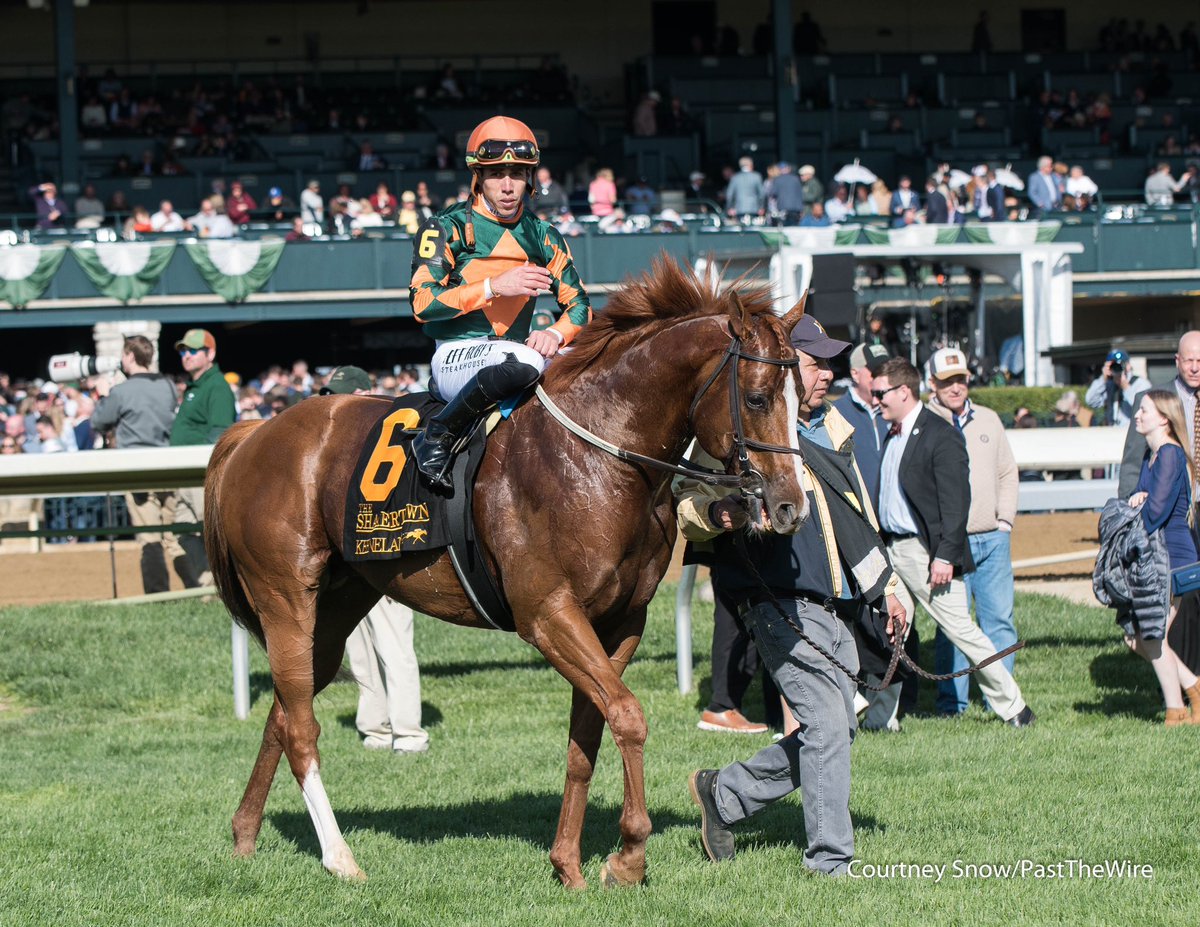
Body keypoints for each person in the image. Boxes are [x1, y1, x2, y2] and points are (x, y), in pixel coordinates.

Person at [678, 316, 906, 874]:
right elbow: (684, 504)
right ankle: (831, 861)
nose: (826, 373)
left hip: (830, 607)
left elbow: (858, 525)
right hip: (776, 603)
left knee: (839, 727)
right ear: (783, 369)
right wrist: (717, 512)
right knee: (828, 725)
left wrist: (889, 589)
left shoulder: (832, 430)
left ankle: (725, 795)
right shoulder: (739, 430)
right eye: (814, 362)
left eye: (829, 363)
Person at [408, 115, 593, 490]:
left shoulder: (545, 235)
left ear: (531, 178)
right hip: (457, 354)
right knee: (525, 361)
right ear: (478, 176)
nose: (508, 186)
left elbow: (581, 306)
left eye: (517, 173)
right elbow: (422, 302)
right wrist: (494, 286)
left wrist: (556, 335)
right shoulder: (445, 226)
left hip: (521, 353)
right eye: (496, 174)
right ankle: (437, 435)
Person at [873, 357, 1035, 727]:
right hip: (894, 550)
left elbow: (955, 502)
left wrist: (944, 555)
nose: (877, 399)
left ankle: (1015, 708)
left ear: (903, 391)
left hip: (925, 552)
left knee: (962, 629)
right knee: (894, 631)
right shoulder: (895, 430)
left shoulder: (940, 433)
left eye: (882, 393)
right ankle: (881, 717)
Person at [320, 365, 431, 753]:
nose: (332, 402)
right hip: (354, 556)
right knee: (361, 651)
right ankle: (375, 727)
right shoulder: (340, 439)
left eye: (339, 393)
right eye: (328, 395)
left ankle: (409, 733)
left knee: (393, 646)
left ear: (364, 395)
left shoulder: (395, 428)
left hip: (386, 549)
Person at [925, 348, 1021, 716]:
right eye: (947, 381)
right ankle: (953, 703)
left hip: (993, 537)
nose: (956, 387)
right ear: (932, 384)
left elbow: (1007, 472)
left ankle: (1004, 698)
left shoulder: (990, 420)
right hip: (951, 542)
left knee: (999, 620)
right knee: (953, 624)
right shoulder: (925, 422)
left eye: (960, 379)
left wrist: (1005, 521)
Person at [1125, 389, 1200, 725]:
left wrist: (1139, 503)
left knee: (1151, 636)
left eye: (1144, 410)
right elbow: (1143, 499)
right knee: (1139, 638)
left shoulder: (1169, 454)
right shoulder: (1151, 455)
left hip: (1173, 559)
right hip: (1155, 558)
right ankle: (1192, 691)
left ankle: (1177, 709)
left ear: (1164, 418)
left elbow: (1154, 513)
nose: (1137, 415)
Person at [90, 335, 180, 594]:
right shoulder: (168, 385)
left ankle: (158, 596)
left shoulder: (121, 392)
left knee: (150, 539)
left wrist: (105, 396)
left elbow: (99, 422)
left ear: (130, 356)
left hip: (139, 471)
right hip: (170, 468)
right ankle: (196, 589)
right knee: (175, 536)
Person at [169, 328, 236, 587]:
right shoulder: (195, 387)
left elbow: (220, 434)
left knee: (208, 534)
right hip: (184, 473)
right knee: (183, 531)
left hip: (202, 473)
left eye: (193, 350)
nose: (186, 355)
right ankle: (204, 589)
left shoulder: (217, 387)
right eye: (184, 350)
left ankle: (217, 591)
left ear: (211, 353)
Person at [1118, 331, 1200, 497]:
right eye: (1188, 361)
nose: (1194, 368)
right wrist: (1126, 504)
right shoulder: (1150, 400)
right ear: (1177, 361)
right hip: (1172, 505)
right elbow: (1133, 461)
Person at [1085, 348, 1148, 427]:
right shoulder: (1109, 385)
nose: (1117, 368)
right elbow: (1091, 400)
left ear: (1128, 365)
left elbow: (1144, 405)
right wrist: (1103, 379)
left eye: (1120, 364)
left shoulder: (1140, 384)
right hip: (1112, 433)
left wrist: (1125, 387)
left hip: (1132, 434)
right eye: (1113, 365)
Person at [724, 156, 765, 221]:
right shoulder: (757, 176)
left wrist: (730, 207)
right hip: (754, 208)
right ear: (751, 165)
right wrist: (761, 207)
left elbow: (729, 194)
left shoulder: (735, 177)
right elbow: (762, 194)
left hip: (738, 209)